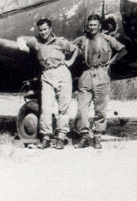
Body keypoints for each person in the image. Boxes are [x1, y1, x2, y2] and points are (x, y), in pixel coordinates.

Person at [18, 18, 78, 149]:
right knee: (46, 108)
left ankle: (61, 137)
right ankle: (46, 137)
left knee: (63, 108)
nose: (43, 32)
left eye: (45, 29)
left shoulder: (60, 41)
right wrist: (21, 42)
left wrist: (70, 62)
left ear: (50, 29)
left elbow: (75, 49)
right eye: (41, 30)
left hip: (62, 73)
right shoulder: (36, 42)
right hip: (46, 75)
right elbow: (21, 38)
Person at [72, 14, 126, 149]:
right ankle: (84, 136)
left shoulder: (107, 39)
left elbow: (122, 49)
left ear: (99, 26)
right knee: (82, 108)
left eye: (94, 25)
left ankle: (97, 136)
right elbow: (69, 47)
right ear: (87, 26)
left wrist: (110, 63)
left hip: (102, 74)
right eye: (90, 25)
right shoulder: (82, 39)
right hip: (85, 74)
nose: (92, 27)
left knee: (100, 109)